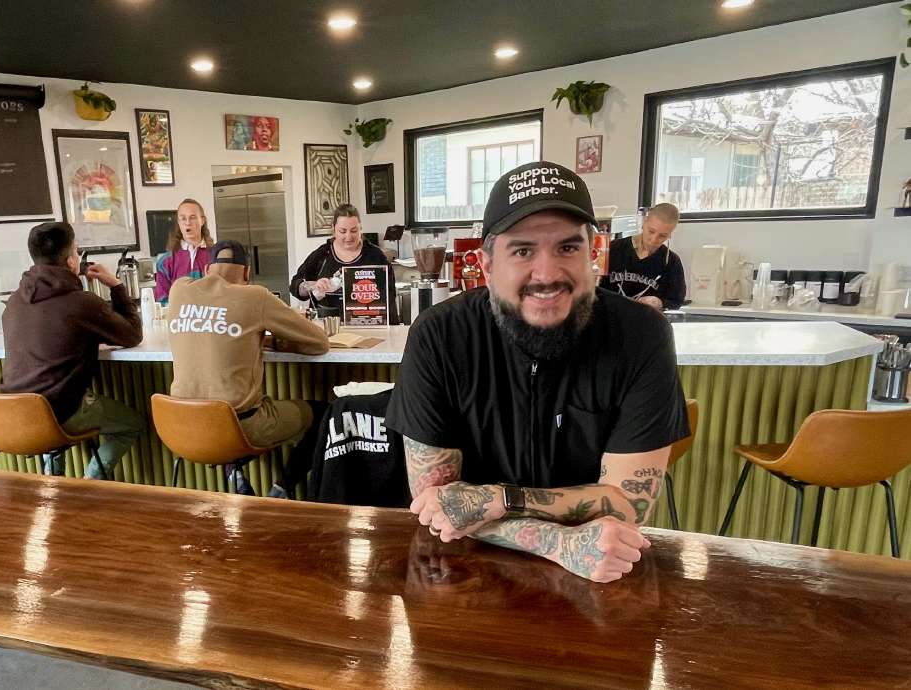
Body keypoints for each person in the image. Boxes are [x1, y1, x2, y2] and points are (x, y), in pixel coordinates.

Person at [386, 161, 690, 584]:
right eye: (523, 250)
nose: (547, 274)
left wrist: (497, 499)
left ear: (593, 255)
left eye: (568, 248)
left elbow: (628, 504)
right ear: (487, 265)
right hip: (464, 574)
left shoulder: (641, 335)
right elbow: (438, 507)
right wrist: (557, 543)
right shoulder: (440, 335)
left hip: (600, 579)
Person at [0, 221, 145, 478]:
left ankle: (53, 489)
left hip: (13, 412)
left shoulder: (13, 301)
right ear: (70, 261)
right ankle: (89, 485)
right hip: (59, 411)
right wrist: (116, 286)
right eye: (76, 251)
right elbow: (132, 335)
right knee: (132, 425)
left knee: (49, 417)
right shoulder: (81, 303)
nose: (78, 258)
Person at [168, 239, 329, 466]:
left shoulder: (179, 290)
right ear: (247, 272)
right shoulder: (255, 296)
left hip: (181, 427)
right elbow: (319, 342)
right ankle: (283, 488)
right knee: (325, 413)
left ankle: (236, 475)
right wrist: (271, 341)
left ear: (206, 269)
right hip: (239, 427)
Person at [289, 203, 399, 323]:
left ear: (360, 229)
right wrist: (314, 286)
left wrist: (393, 329)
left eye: (354, 231)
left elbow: (390, 297)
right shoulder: (322, 254)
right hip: (327, 327)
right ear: (334, 229)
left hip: (368, 326)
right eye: (342, 231)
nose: (348, 236)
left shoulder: (376, 256)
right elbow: (295, 286)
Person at [602, 203, 686, 310]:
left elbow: (676, 301)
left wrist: (660, 302)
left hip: (649, 321)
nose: (654, 239)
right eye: (651, 231)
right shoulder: (613, 249)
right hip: (612, 318)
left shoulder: (672, 262)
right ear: (644, 222)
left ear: (670, 233)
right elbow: (594, 290)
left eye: (662, 236)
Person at [154, 199, 213, 305]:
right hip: (178, 319)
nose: (187, 223)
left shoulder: (215, 256)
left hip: (210, 319)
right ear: (178, 222)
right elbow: (162, 300)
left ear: (202, 220)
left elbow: (223, 294)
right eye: (183, 218)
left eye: (192, 217)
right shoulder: (165, 262)